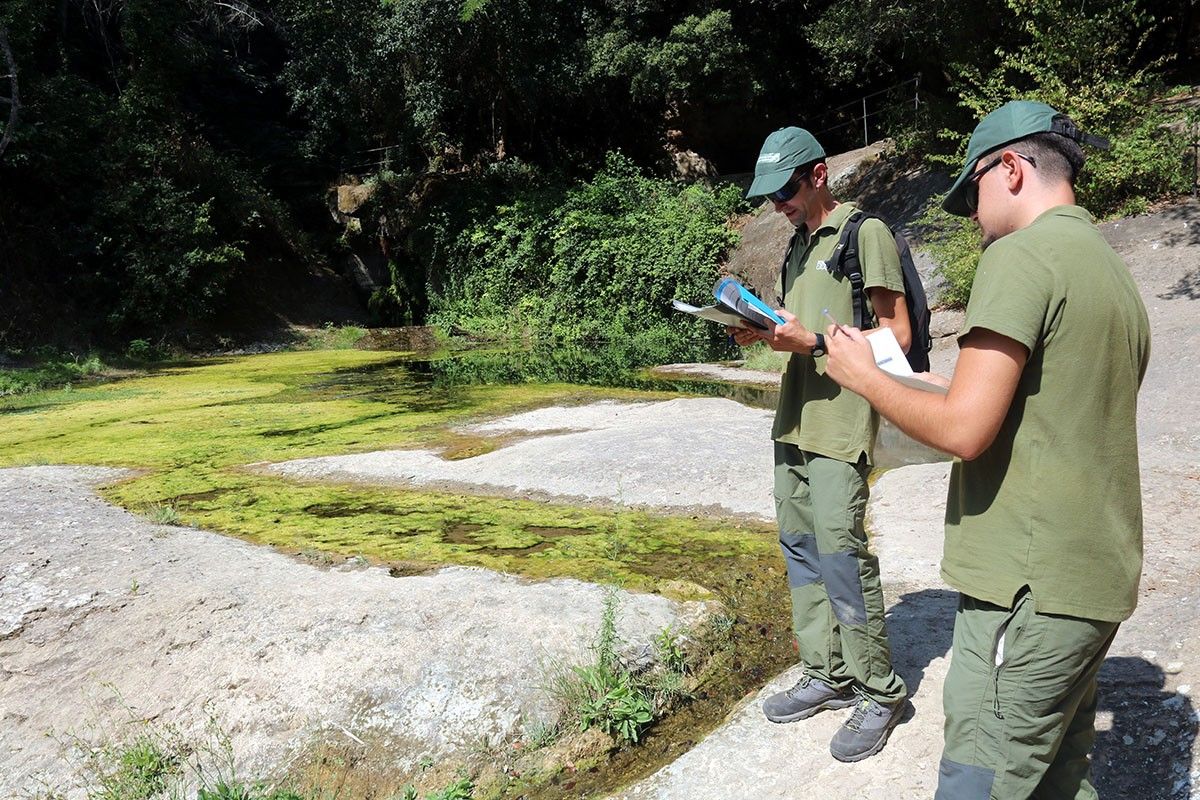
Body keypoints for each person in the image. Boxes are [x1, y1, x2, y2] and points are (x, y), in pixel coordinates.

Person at [822, 100, 1151, 798]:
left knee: (983, 776)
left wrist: (866, 378)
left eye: (971, 192)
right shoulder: (1108, 267)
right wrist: (940, 385)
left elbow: (966, 432)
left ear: (1009, 168)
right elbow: (1053, 405)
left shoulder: (1020, 257)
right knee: (1058, 777)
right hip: (1091, 579)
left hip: (1026, 589)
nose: (971, 214)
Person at [731, 126, 912, 762]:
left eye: (784, 190)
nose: (776, 203)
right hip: (794, 418)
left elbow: (900, 335)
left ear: (819, 174)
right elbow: (797, 325)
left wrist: (810, 344)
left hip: (842, 422)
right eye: (769, 195)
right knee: (801, 547)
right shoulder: (795, 247)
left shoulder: (866, 234)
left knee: (841, 552)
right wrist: (762, 331)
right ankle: (827, 672)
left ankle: (878, 690)